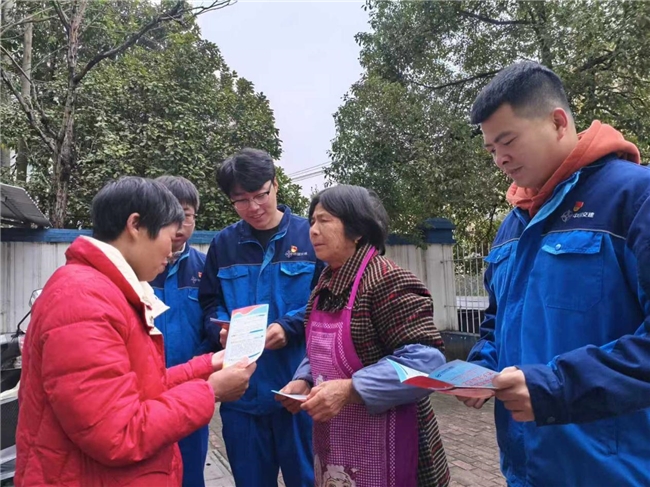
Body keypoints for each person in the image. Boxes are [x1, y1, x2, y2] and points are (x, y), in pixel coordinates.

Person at [460, 61, 650, 486]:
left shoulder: (635, 197)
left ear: (558, 122)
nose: (500, 159)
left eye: (508, 141)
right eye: (491, 150)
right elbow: (498, 321)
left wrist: (556, 387)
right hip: (526, 468)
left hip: (614, 470)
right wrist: (480, 368)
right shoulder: (513, 225)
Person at [16, 177, 256, 487]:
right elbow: (118, 433)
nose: (171, 250)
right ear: (136, 225)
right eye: (169, 236)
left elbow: (142, 387)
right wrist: (211, 392)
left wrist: (207, 365)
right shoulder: (84, 301)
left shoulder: (105, 290)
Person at [278, 185, 450, 487]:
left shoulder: (387, 280)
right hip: (338, 440)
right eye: (312, 221)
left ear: (357, 230)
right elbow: (318, 349)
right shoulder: (324, 285)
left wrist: (352, 389)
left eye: (324, 220)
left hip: (393, 443)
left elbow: (427, 362)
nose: (313, 231)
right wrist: (304, 378)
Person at [198, 149, 320, 487]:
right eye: (240, 200)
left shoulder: (310, 236)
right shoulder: (224, 244)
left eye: (260, 195)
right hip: (242, 397)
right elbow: (209, 303)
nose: (253, 206)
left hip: (297, 391)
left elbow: (328, 302)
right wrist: (219, 330)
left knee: (307, 480)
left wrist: (290, 326)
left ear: (275, 185)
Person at [150, 176, 210, 487]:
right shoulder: (138, 268)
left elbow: (213, 324)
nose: (179, 224)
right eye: (170, 214)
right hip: (144, 396)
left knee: (190, 473)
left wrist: (197, 373)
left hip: (189, 392)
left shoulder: (206, 267)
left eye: (186, 215)